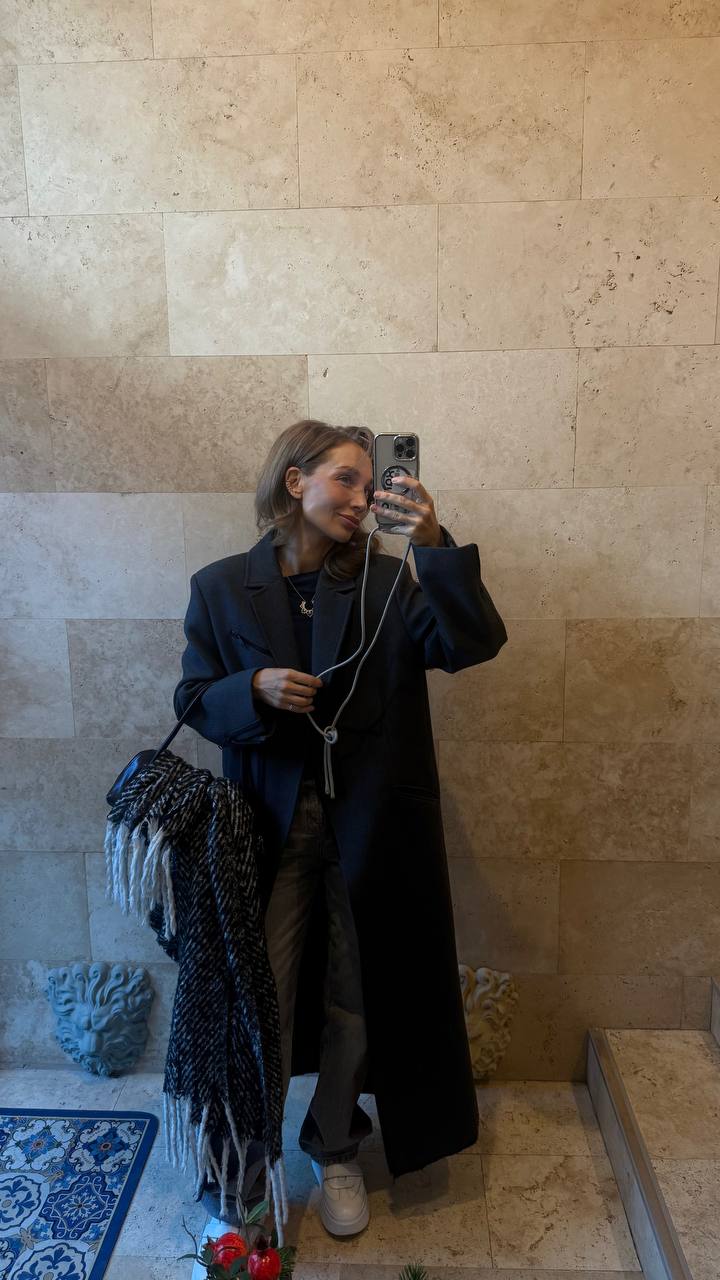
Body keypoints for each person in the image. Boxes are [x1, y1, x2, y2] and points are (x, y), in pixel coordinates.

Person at [174, 419, 508, 1267]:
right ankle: (241, 1180)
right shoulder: (221, 586)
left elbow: (471, 645)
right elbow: (192, 696)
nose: (364, 498)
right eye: (348, 480)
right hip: (267, 828)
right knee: (261, 1001)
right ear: (295, 481)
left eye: (372, 483)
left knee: (357, 999)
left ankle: (333, 1147)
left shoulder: (391, 584)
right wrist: (251, 687)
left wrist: (433, 545)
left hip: (373, 830)